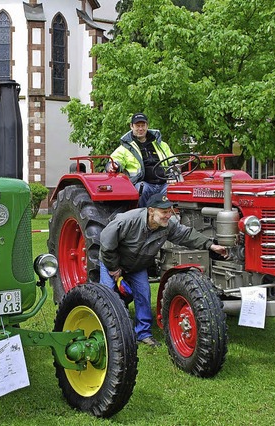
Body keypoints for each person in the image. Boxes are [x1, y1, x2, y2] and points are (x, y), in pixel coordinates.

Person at [99, 192, 227, 347]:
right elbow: (106, 244)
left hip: (137, 266)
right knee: (107, 294)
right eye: (164, 212)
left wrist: (211, 245)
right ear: (151, 210)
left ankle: (143, 333)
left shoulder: (167, 226)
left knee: (144, 294)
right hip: (112, 262)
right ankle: (106, 332)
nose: (168, 215)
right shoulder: (127, 220)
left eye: (169, 211)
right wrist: (113, 268)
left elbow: (186, 235)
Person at [107, 113, 174, 207]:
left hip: (164, 184)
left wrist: (174, 170)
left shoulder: (161, 145)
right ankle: (142, 217)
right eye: (137, 126)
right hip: (144, 184)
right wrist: (113, 165)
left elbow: (173, 160)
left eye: (143, 125)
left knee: (176, 190)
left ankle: (176, 216)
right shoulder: (125, 148)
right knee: (141, 189)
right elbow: (115, 161)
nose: (141, 129)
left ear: (147, 126)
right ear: (131, 126)